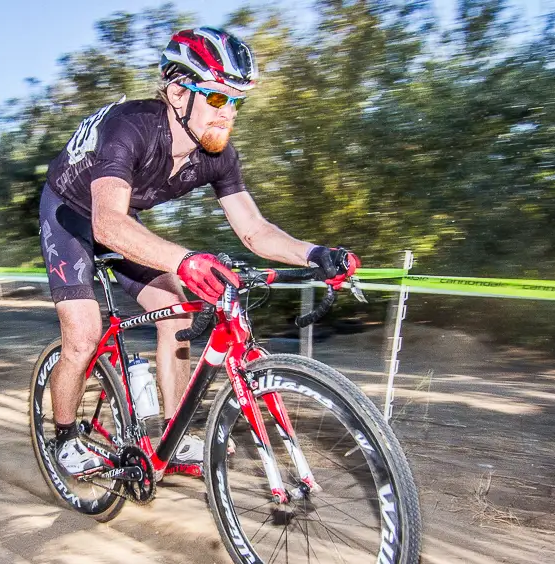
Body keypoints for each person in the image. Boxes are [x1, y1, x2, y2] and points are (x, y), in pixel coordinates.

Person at [40, 27, 360, 476]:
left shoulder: (217, 154)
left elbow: (254, 229)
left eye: (235, 101)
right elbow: (106, 223)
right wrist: (185, 259)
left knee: (176, 310)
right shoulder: (129, 128)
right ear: (176, 93)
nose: (227, 114)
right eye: (215, 98)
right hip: (70, 213)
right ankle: (65, 437)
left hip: (116, 214)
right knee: (83, 336)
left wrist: (314, 254)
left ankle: (174, 433)